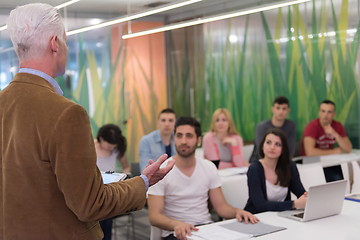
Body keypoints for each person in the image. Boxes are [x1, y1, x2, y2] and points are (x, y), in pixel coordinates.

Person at [0, 4, 174, 239]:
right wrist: (143, 181)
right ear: (55, 43)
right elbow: (91, 204)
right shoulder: (66, 113)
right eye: (65, 40)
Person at [148, 117, 258, 240]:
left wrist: (238, 212)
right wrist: (176, 224)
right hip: (175, 233)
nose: (183, 141)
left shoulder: (209, 167)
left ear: (199, 140)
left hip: (205, 229)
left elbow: (221, 207)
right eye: (179, 136)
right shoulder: (161, 171)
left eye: (189, 136)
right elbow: (154, 216)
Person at [244, 128, 307, 214]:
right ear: (262, 146)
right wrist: (293, 204)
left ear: (283, 149)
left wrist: (307, 198)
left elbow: (301, 193)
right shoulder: (255, 169)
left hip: (282, 216)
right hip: (257, 217)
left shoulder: (289, 166)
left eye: (278, 144)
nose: (272, 147)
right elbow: (260, 205)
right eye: (268, 142)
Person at [301, 100, 352, 182]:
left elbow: (348, 148)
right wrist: (333, 152)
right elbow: (310, 152)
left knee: (345, 176)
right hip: (311, 164)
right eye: (323, 111)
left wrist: (335, 134)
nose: (326, 115)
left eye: (329, 112)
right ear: (319, 113)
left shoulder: (337, 125)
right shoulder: (312, 126)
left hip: (329, 161)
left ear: (334, 114)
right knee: (336, 178)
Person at [94, 124, 130, 240]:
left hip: (110, 192)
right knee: (98, 219)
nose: (111, 149)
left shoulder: (117, 149)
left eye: (113, 147)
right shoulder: (91, 147)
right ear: (101, 139)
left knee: (106, 218)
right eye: (109, 146)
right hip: (94, 191)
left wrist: (124, 177)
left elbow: (126, 167)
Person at [249, 96, 296, 163]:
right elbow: (262, 151)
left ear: (288, 110)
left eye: (284, 108)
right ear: (273, 109)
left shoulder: (291, 126)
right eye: (278, 108)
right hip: (259, 163)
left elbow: (290, 150)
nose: (281, 111)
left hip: (282, 164)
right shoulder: (262, 127)